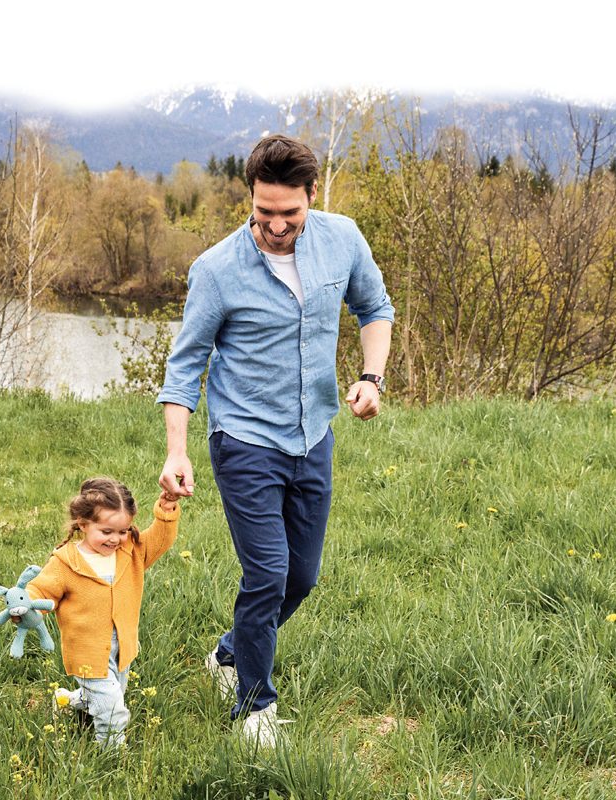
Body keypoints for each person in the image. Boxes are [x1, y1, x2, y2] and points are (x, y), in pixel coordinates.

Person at [156, 134, 394, 747]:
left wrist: (371, 378)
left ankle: (229, 654)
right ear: (251, 198)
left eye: (290, 213)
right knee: (267, 573)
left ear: (312, 197)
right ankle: (254, 710)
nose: (277, 225)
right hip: (244, 440)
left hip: (313, 434)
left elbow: (375, 308)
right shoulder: (216, 270)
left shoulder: (343, 239)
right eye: (265, 212)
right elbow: (185, 367)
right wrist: (177, 451)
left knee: (302, 577)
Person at [24, 477, 181, 746]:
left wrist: (166, 510)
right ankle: (111, 756)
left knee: (107, 694)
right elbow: (41, 591)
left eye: (123, 531)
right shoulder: (66, 561)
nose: (116, 539)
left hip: (123, 646)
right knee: (111, 709)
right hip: (86, 649)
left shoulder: (131, 552)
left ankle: (66, 700)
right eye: (107, 531)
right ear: (83, 524)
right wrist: (25, 605)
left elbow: (160, 539)